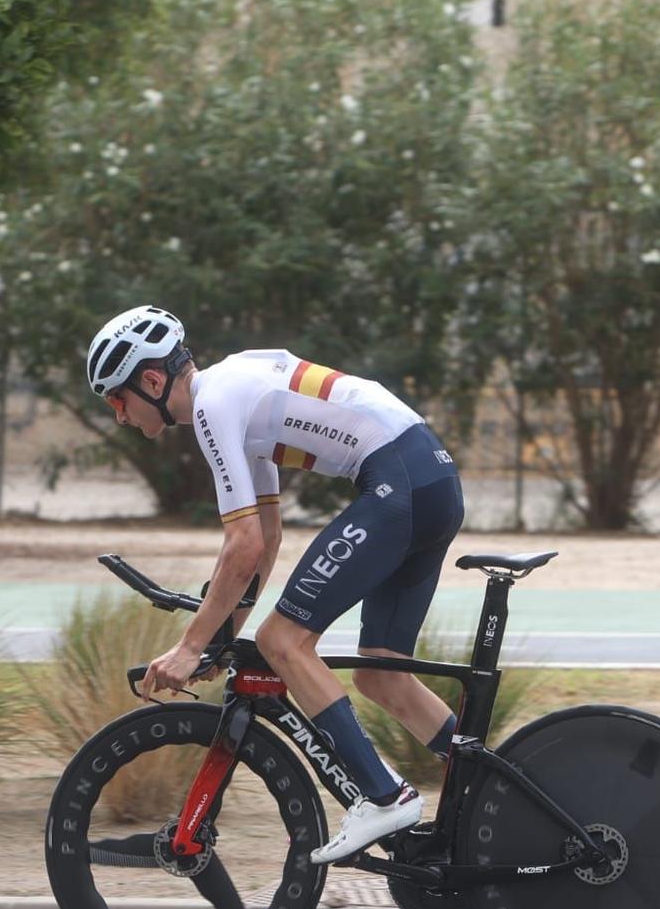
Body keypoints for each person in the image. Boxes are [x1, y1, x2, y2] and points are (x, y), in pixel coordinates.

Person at [85, 304, 465, 864]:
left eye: (118, 398)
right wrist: (220, 636)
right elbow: (264, 536)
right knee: (380, 674)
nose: (118, 415)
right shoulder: (234, 396)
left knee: (282, 642)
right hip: (428, 481)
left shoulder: (214, 405)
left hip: (399, 482)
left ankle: (385, 797)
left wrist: (190, 647)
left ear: (152, 380)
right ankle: (492, 791)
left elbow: (245, 547)